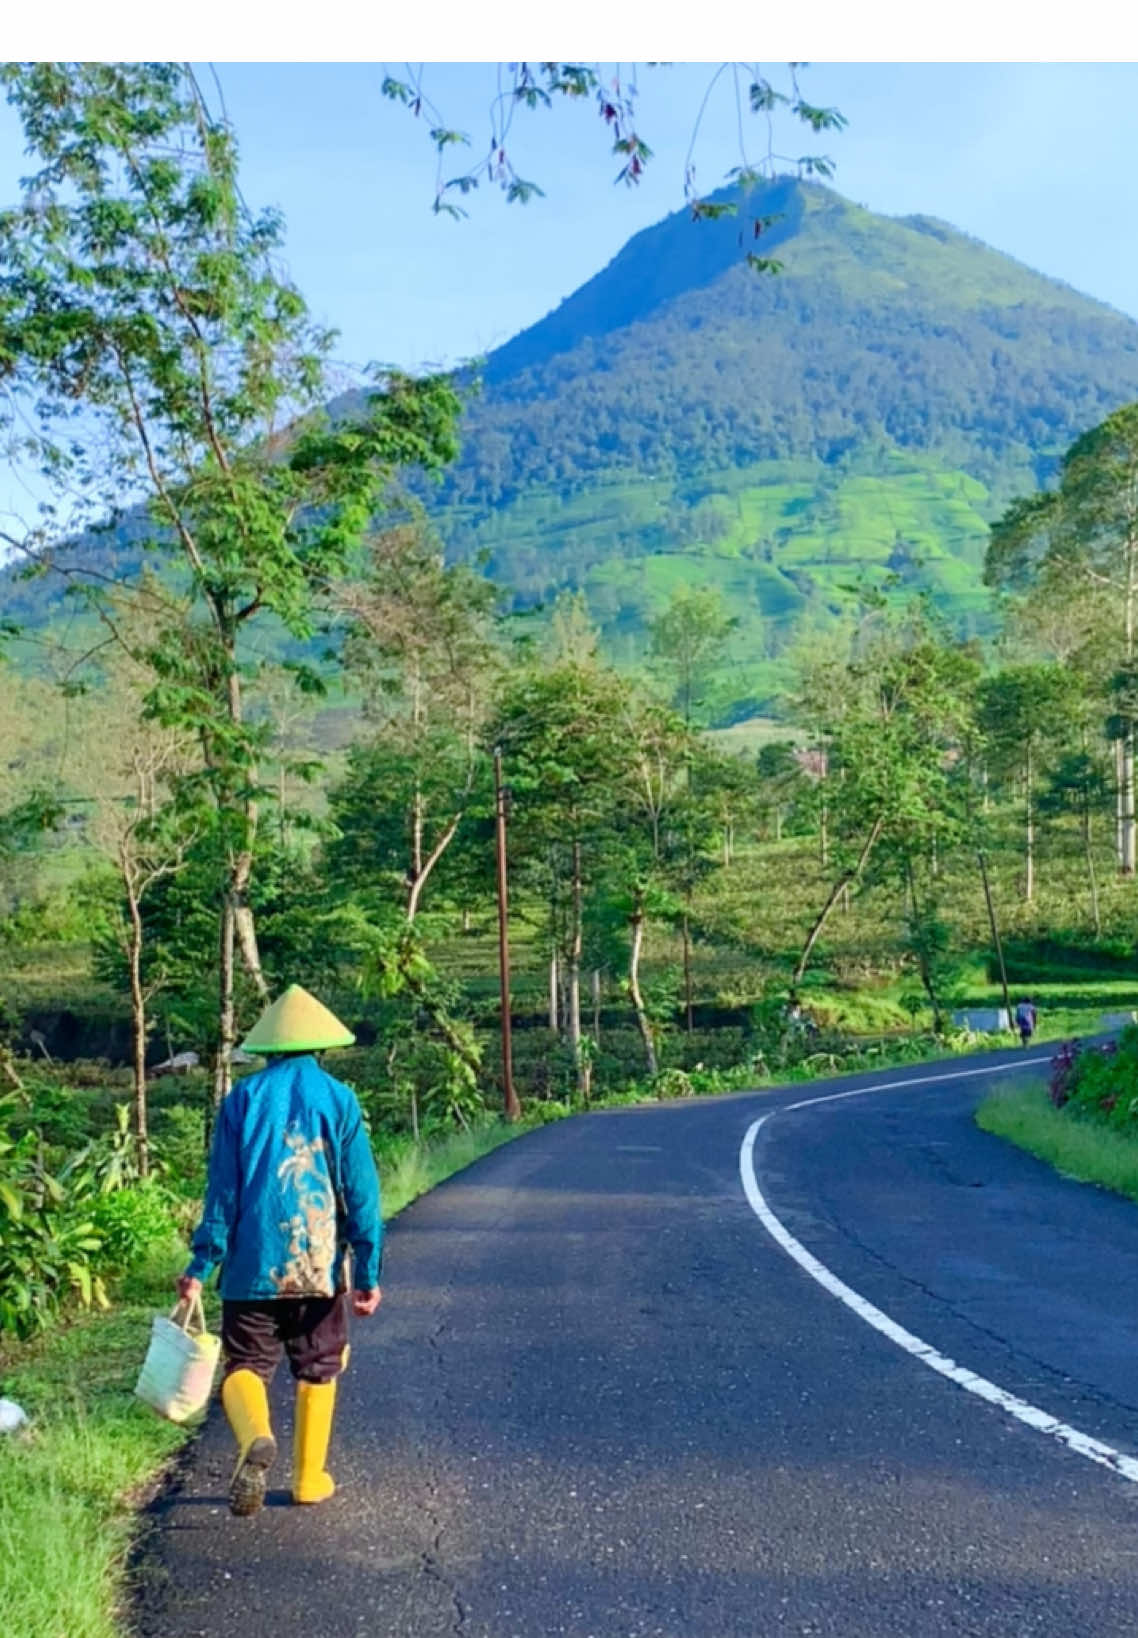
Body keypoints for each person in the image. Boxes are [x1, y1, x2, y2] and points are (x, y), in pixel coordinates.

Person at [176, 984, 382, 1518]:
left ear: (267, 1047)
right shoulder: (340, 1099)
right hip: (319, 1266)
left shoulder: (240, 1099)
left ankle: (254, 1440)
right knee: (318, 1367)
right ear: (321, 1046)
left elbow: (221, 1192)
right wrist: (367, 1269)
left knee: (245, 1364)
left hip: (250, 1265)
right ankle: (309, 1479)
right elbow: (360, 1192)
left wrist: (201, 1264)